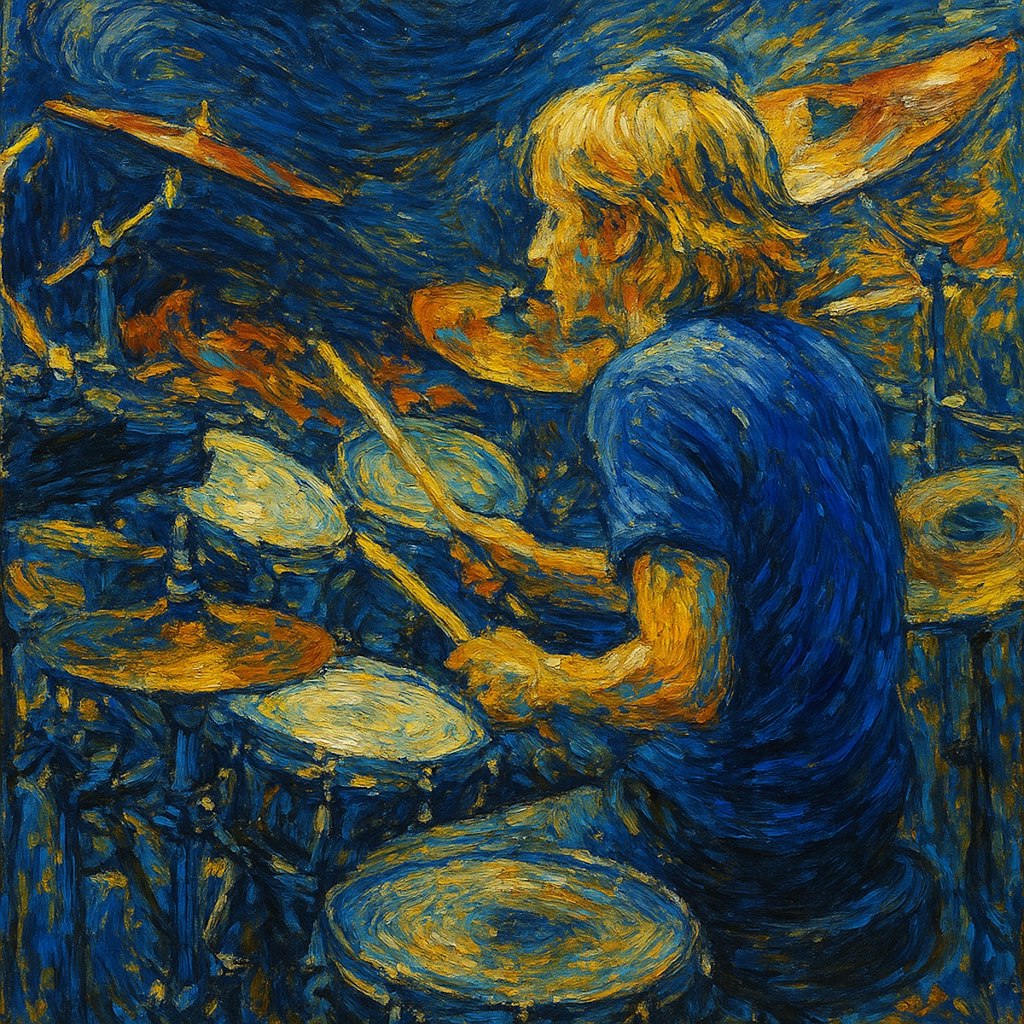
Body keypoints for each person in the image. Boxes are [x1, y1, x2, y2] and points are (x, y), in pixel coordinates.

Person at [421, 52, 940, 1019]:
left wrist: (541, 679)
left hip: (733, 845)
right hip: (852, 821)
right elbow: (765, 582)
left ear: (618, 231)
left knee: (408, 893)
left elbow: (686, 677)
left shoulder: (652, 391)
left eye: (554, 218)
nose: (537, 252)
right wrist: (548, 572)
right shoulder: (815, 362)